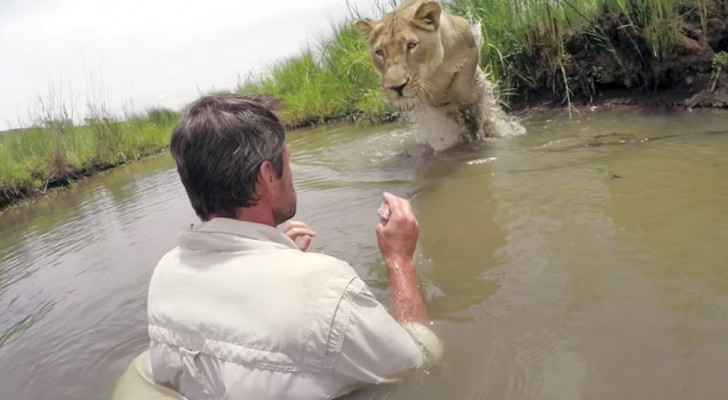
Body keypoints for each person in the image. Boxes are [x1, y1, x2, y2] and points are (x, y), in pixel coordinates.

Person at [111, 94, 442, 400]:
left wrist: (275, 258)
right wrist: (399, 259)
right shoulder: (325, 287)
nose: (292, 171)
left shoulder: (166, 273)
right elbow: (420, 362)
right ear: (268, 175)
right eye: (288, 159)